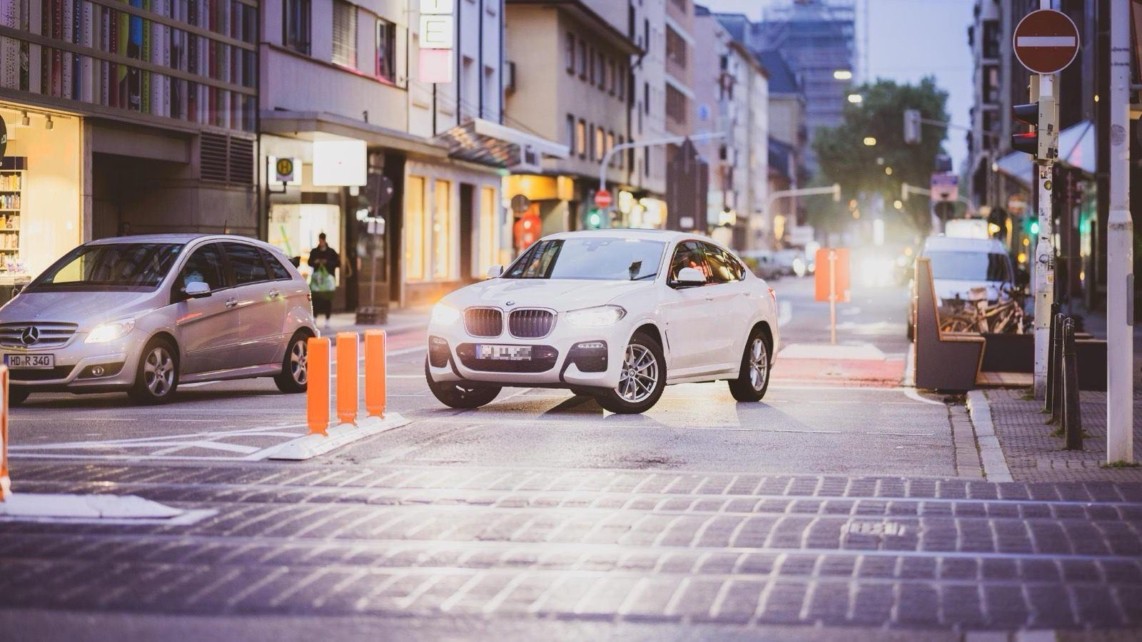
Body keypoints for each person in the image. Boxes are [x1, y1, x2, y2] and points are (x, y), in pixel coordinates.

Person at [308, 233, 340, 324]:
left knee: (327, 299)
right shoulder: (314, 251)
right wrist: (316, 262)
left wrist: (327, 262)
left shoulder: (331, 252)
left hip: (328, 279)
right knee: (316, 298)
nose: (321, 242)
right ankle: (315, 317)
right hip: (317, 280)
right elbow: (309, 262)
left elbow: (337, 263)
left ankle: (327, 318)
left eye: (322, 240)